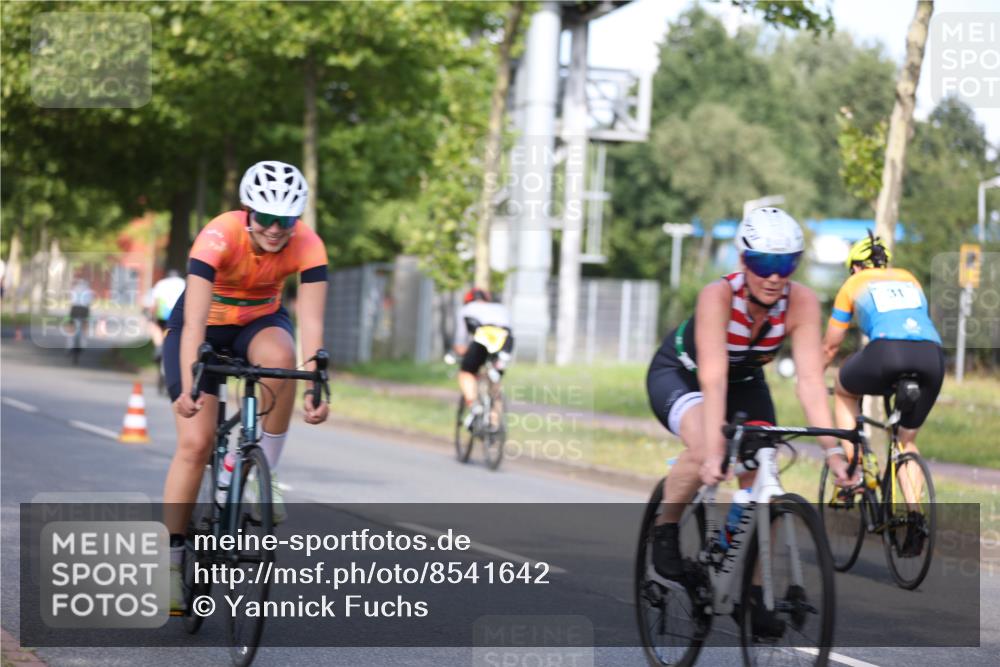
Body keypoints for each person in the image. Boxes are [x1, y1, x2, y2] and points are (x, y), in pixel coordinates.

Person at [645, 208, 855, 586]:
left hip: (744, 380)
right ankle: (666, 529)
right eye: (762, 262)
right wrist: (712, 452)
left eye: (786, 264)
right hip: (683, 374)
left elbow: (809, 381)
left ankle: (757, 594)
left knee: (764, 474)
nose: (774, 276)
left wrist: (834, 452)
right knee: (703, 446)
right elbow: (713, 378)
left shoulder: (802, 302)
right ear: (743, 260)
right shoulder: (719, 295)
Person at [162, 160, 330, 611]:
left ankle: (262, 478)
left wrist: (315, 384)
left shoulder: (309, 245)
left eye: (286, 221)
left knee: (282, 360)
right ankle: (173, 562)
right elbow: (194, 320)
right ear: (247, 211)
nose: (275, 230)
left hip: (257, 324)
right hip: (202, 328)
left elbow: (311, 323)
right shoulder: (219, 235)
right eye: (266, 218)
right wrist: (190, 386)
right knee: (196, 444)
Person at [822, 232, 943, 554]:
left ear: (856, 267)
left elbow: (832, 344)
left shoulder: (854, 284)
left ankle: (855, 469)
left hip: (887, 352)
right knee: (906, 440)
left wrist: (814, 373)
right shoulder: (910, 278)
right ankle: (915, 515)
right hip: (932, 356)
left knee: (844, 391)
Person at [452, 288, 514, 429]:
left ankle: (474, 406)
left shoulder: (467, 309)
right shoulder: (500, 308)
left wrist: (462, 352)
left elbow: (460, 341)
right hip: (506, 340)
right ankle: (494, 423)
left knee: (466, 372)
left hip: (485, 337)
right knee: (495, 380)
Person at [145, 269, 185, 361]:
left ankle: (159, 346)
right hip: (178, 314)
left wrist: (152, 316)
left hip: (164, 314)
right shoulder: (184, 283)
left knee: (153, 326)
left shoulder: (161, 283)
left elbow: (155, 303)